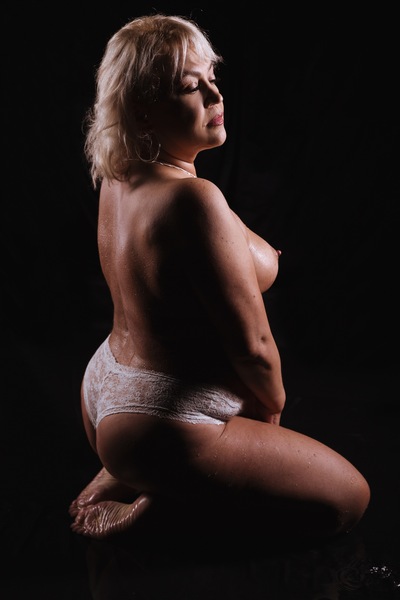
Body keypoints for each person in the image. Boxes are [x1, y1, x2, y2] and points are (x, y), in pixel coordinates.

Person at [69, 13, 370, 542]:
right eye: (192, 87)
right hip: (160, 417)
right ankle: (159, 501)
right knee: (350, 499)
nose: (215, 95)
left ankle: (135, 470)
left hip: (108, 387)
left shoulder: (123, 176)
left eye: (213, 77)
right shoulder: (194, 199)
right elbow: (254, 347)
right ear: (142, 111)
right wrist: (271, 410)